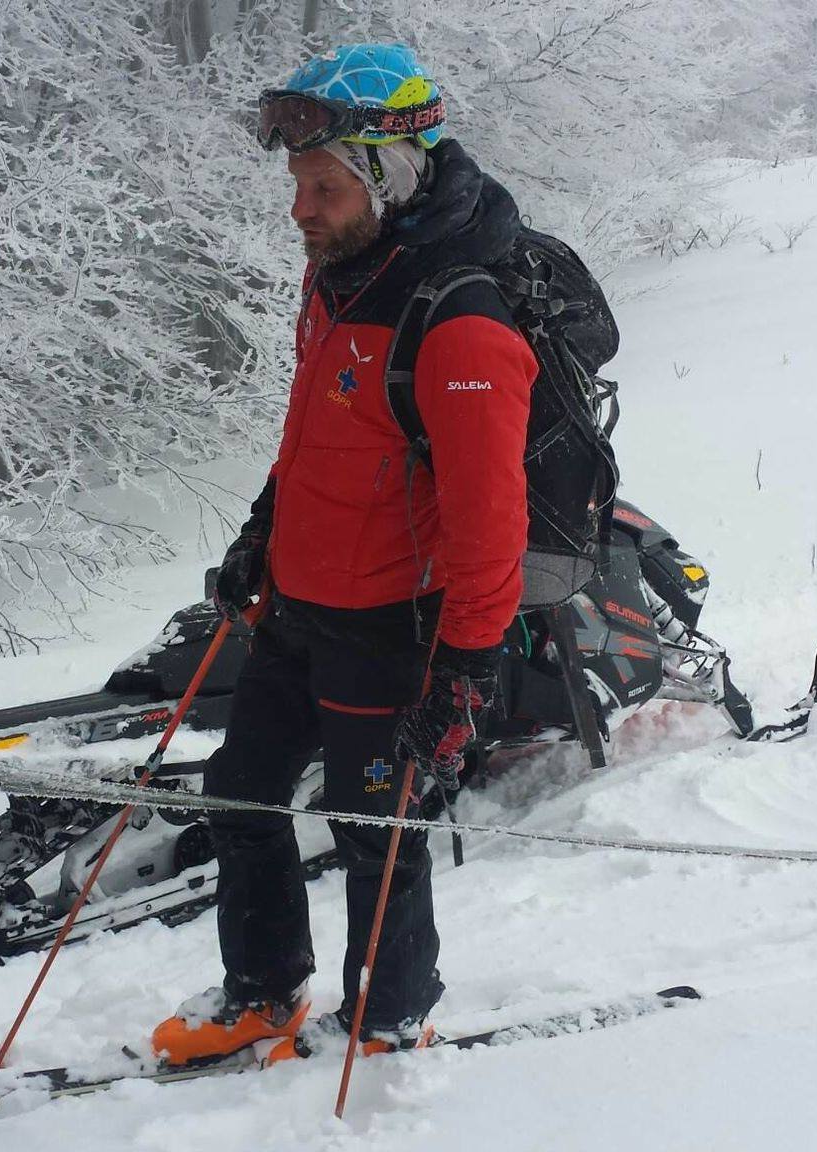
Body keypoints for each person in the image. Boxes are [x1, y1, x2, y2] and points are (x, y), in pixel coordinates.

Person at [150, 43, 538, 1066]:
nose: (299, 210)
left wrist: (463, 666)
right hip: (296, 603)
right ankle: (262, 991)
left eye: (322, 186)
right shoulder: (335, 281)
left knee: (373, 832)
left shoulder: (457, 320)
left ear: (389, 172)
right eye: (295, 185)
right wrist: (258, 534)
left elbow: (488, 521)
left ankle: (388, 1019)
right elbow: (317, 440)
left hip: (388, 625)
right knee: (239, 798)